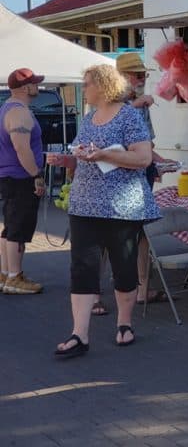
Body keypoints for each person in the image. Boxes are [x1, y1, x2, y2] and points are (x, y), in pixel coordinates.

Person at [47, 64, 160, 359]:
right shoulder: (88, 118)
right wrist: (67, 160)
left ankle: (124, 324)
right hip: (84, 204)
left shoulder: (129, 116)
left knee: (124, 267)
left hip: (121, 207)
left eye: (87, 84)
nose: (84, 89)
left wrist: (105, 153)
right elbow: (83, 154)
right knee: (82, 267)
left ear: (103, 85)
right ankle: (79, 334)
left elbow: (144, 158)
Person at [115, 52, 174, 307]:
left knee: (142, 234)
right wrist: (134, 106)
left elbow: (147, 145)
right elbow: (109, 142)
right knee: (111, 237)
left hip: (142, 176)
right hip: (118, 179)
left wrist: (160, 161)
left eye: (143, 75)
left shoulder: (142, 104)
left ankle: (142, 289)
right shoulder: (105, 102)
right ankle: (95, 296)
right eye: (137, 75)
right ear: (120, 78)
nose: (141, 79)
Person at [0, 68, 46, 295]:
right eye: (35, 83)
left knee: (11, 227)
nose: (38, 86)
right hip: (20, 177)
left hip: (12, 177)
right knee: (18, 227)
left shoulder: (10, 109)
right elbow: (21, 148)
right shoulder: (19, 113)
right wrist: (36, 175)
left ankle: (7, 274)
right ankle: (14, 277)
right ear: (26, 87)